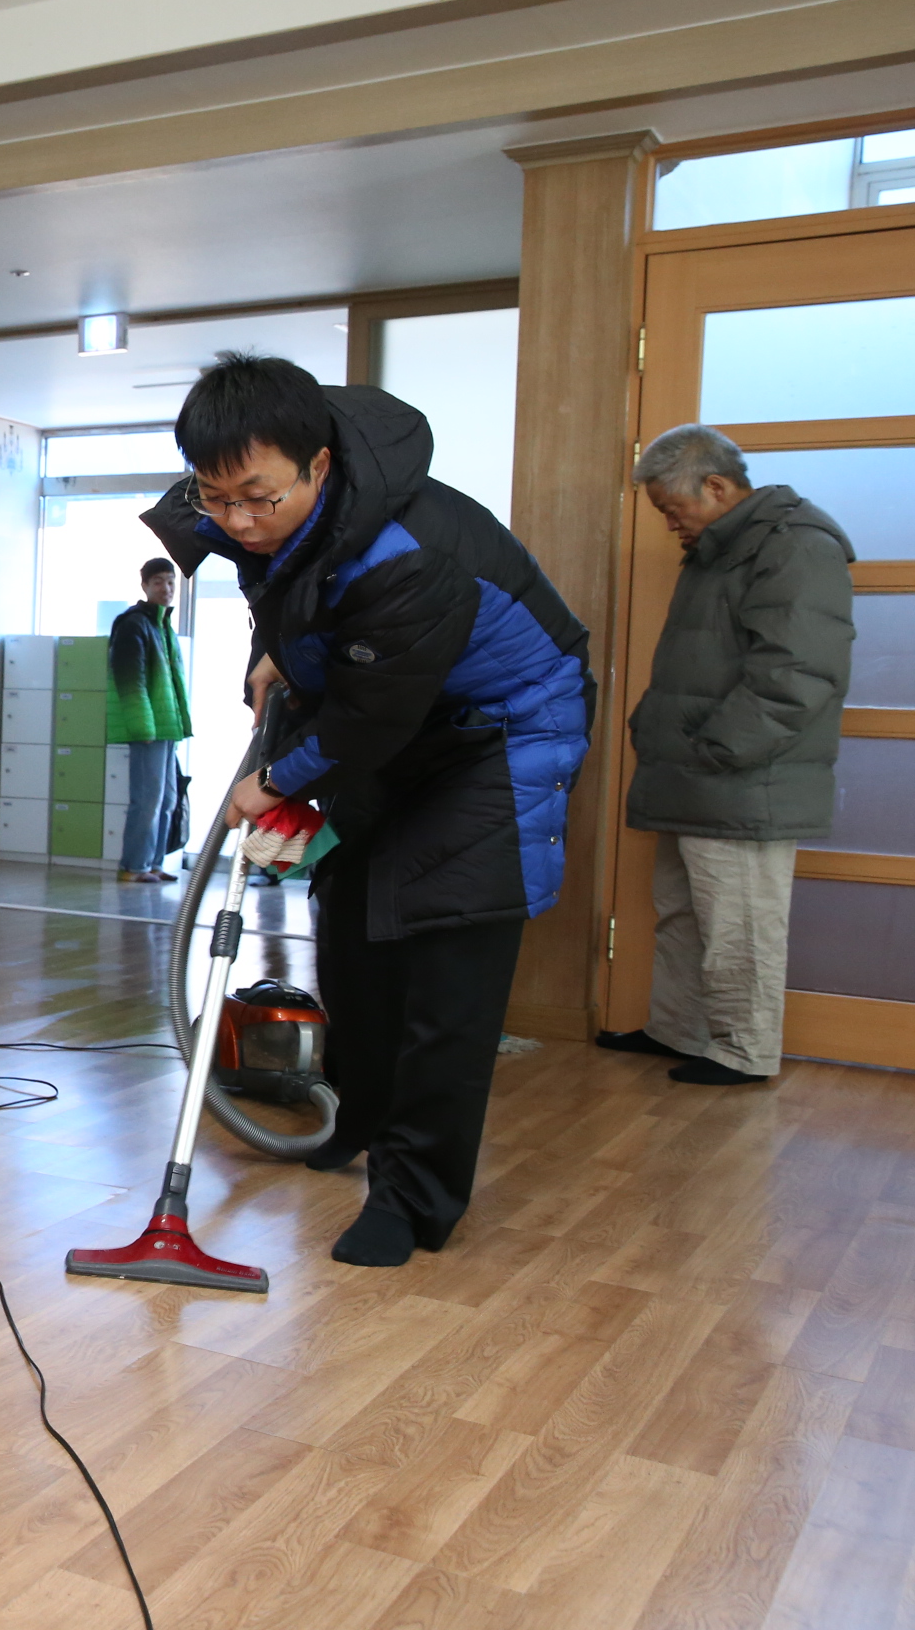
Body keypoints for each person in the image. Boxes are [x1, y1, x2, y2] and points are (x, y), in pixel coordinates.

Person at [144, 353, 592, 1267]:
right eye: (214, 496)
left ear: (319, 465)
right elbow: (303, 605)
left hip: (500, 735)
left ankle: (415, 1198)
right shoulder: (246, 495)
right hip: (392, 713)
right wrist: (284, 656)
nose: (234, 519)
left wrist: (268, 785)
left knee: (442, 959)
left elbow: (370, 711)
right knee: (350, 924)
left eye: (256, 499)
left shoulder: (408, 553)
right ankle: (354, 1120)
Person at [596, 426, 854, 1086]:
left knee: (741, 924)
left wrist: (719, 747)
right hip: (697, 773)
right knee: (684, 913)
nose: (669, 524)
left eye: (671, 509)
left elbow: (799, 671)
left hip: (742, 775)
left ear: (715, 486)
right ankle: (678, 1029)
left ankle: (745, 1050)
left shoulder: (795, 544)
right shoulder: (722, 549)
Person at [109, 556, 191, 884]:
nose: (166, 588)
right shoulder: (134, 623)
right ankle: (134, 866)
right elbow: (131, 680)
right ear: (144, 586)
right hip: (150, 726)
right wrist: (142, 726)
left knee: (167, 799)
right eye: (158, 582)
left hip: (167, 725)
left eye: (171, 582)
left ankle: (154, 863)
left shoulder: (162, 625)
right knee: (147, 799)